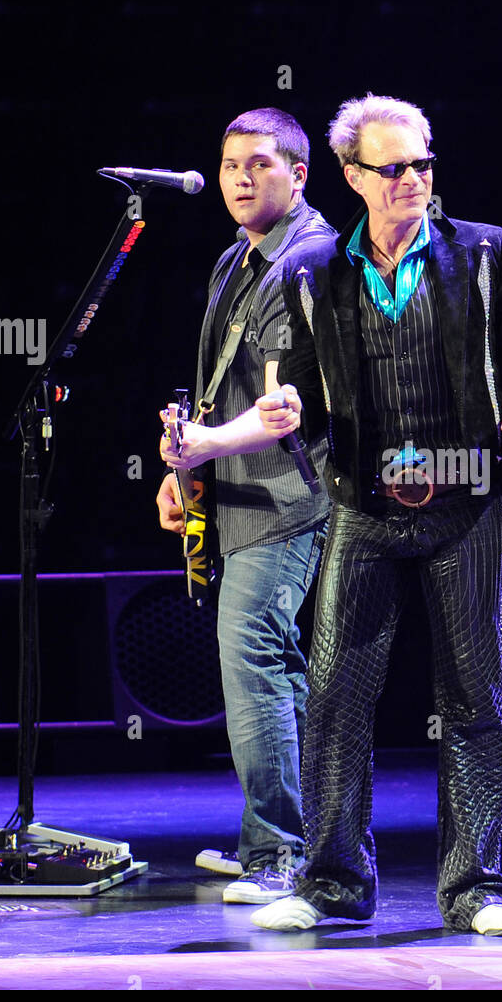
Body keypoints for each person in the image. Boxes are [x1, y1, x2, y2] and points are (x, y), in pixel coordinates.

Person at [249, 94, 502, 936]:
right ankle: (331, 885)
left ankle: (477, 889)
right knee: (336, 697)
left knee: (473, 696)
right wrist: (291, 418)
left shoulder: (485, 254)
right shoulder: (317, 271)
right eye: (393, 169)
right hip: (363, 506)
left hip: (464, 505)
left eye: (424, 163)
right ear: (352, 177)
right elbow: (310, 396)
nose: (415, 181)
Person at [156, 107, 333, 905]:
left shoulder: (313, 259)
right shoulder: (237, 260)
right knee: (277, 670)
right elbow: (223, 388)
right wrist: (186, 466)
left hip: (290, 496)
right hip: (237, 492)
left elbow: (291, 401)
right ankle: (288, 839)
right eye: (229, 163)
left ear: (298, 174)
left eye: (258, 164)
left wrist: (206, 446)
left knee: (252, 656)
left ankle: (280, 855)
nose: (238, 176)